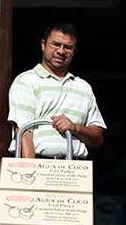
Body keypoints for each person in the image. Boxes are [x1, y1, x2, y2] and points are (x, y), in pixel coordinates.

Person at [8, 22, 106, 159]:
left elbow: (98, 138)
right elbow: (24, 132)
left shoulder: (84, 87)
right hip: (40, 165)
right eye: (55, 44)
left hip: (74, 169)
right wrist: (31, 172)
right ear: (43, 45)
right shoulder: (26, 81)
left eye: (68, 47)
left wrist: (75, 127)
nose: (61, 51)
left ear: (74, 51)